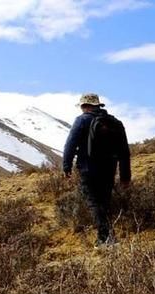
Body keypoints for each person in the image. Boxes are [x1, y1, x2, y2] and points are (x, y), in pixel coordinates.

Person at [63, 93, 131, 247]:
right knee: (105, 202)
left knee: (94, 203)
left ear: (83, 106)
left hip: (88, 169)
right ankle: (108, 236)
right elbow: (124, 152)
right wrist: (125, 177)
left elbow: (70, 145)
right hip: (109, 169)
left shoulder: (81, 120)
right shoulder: (116, 123)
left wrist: (66, 166)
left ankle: (105, 239)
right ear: (98, 105)